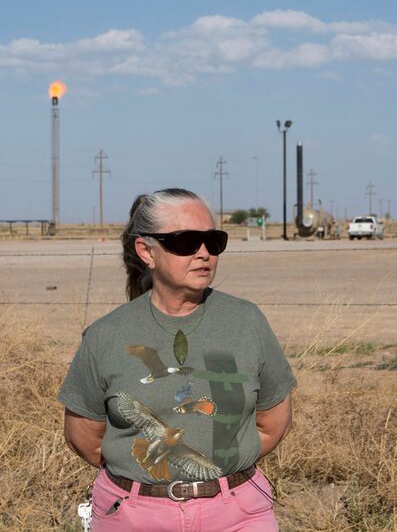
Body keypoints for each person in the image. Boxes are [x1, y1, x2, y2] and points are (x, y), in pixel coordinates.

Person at [58, 188, 296, 531]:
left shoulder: (247, 322)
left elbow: (274, 422)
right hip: (132, 516)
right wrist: (147, 481)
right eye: (185, 242)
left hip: (238, 515)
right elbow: (85, 437)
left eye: (213, 241)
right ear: (146, 252)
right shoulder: (106, 336)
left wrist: (220, 478)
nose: (203, 254)